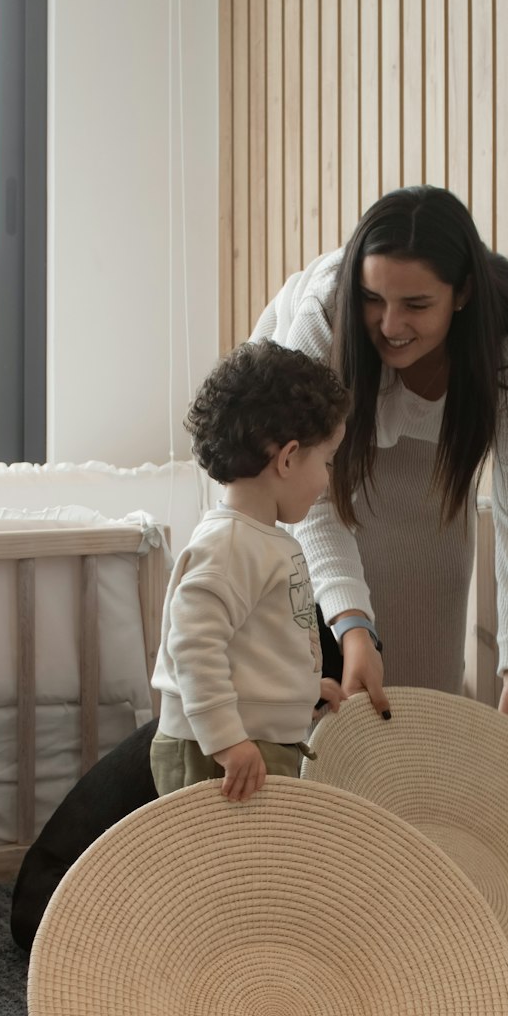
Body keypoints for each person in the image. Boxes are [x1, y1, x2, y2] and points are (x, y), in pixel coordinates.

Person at [251, 185, 508, 755]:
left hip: (432, 451)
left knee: (421, 679)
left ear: (463, 293)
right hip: (290, 457)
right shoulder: (324, 317)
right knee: (312, 658)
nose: (390, 324)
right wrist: (354, 625)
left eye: (416, 305)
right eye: (372, 298)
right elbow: (314, 499)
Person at [149, 340, 351, 803]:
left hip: (250, 739)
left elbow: (257, 643)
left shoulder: (261, 539)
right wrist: (226, 741)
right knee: (221, 871)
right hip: (220, 749)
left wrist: (299, 689)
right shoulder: (228, 545)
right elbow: (194, 646)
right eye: (327, 461)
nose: (327, 479)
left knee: (258, 869)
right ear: (287, 457)